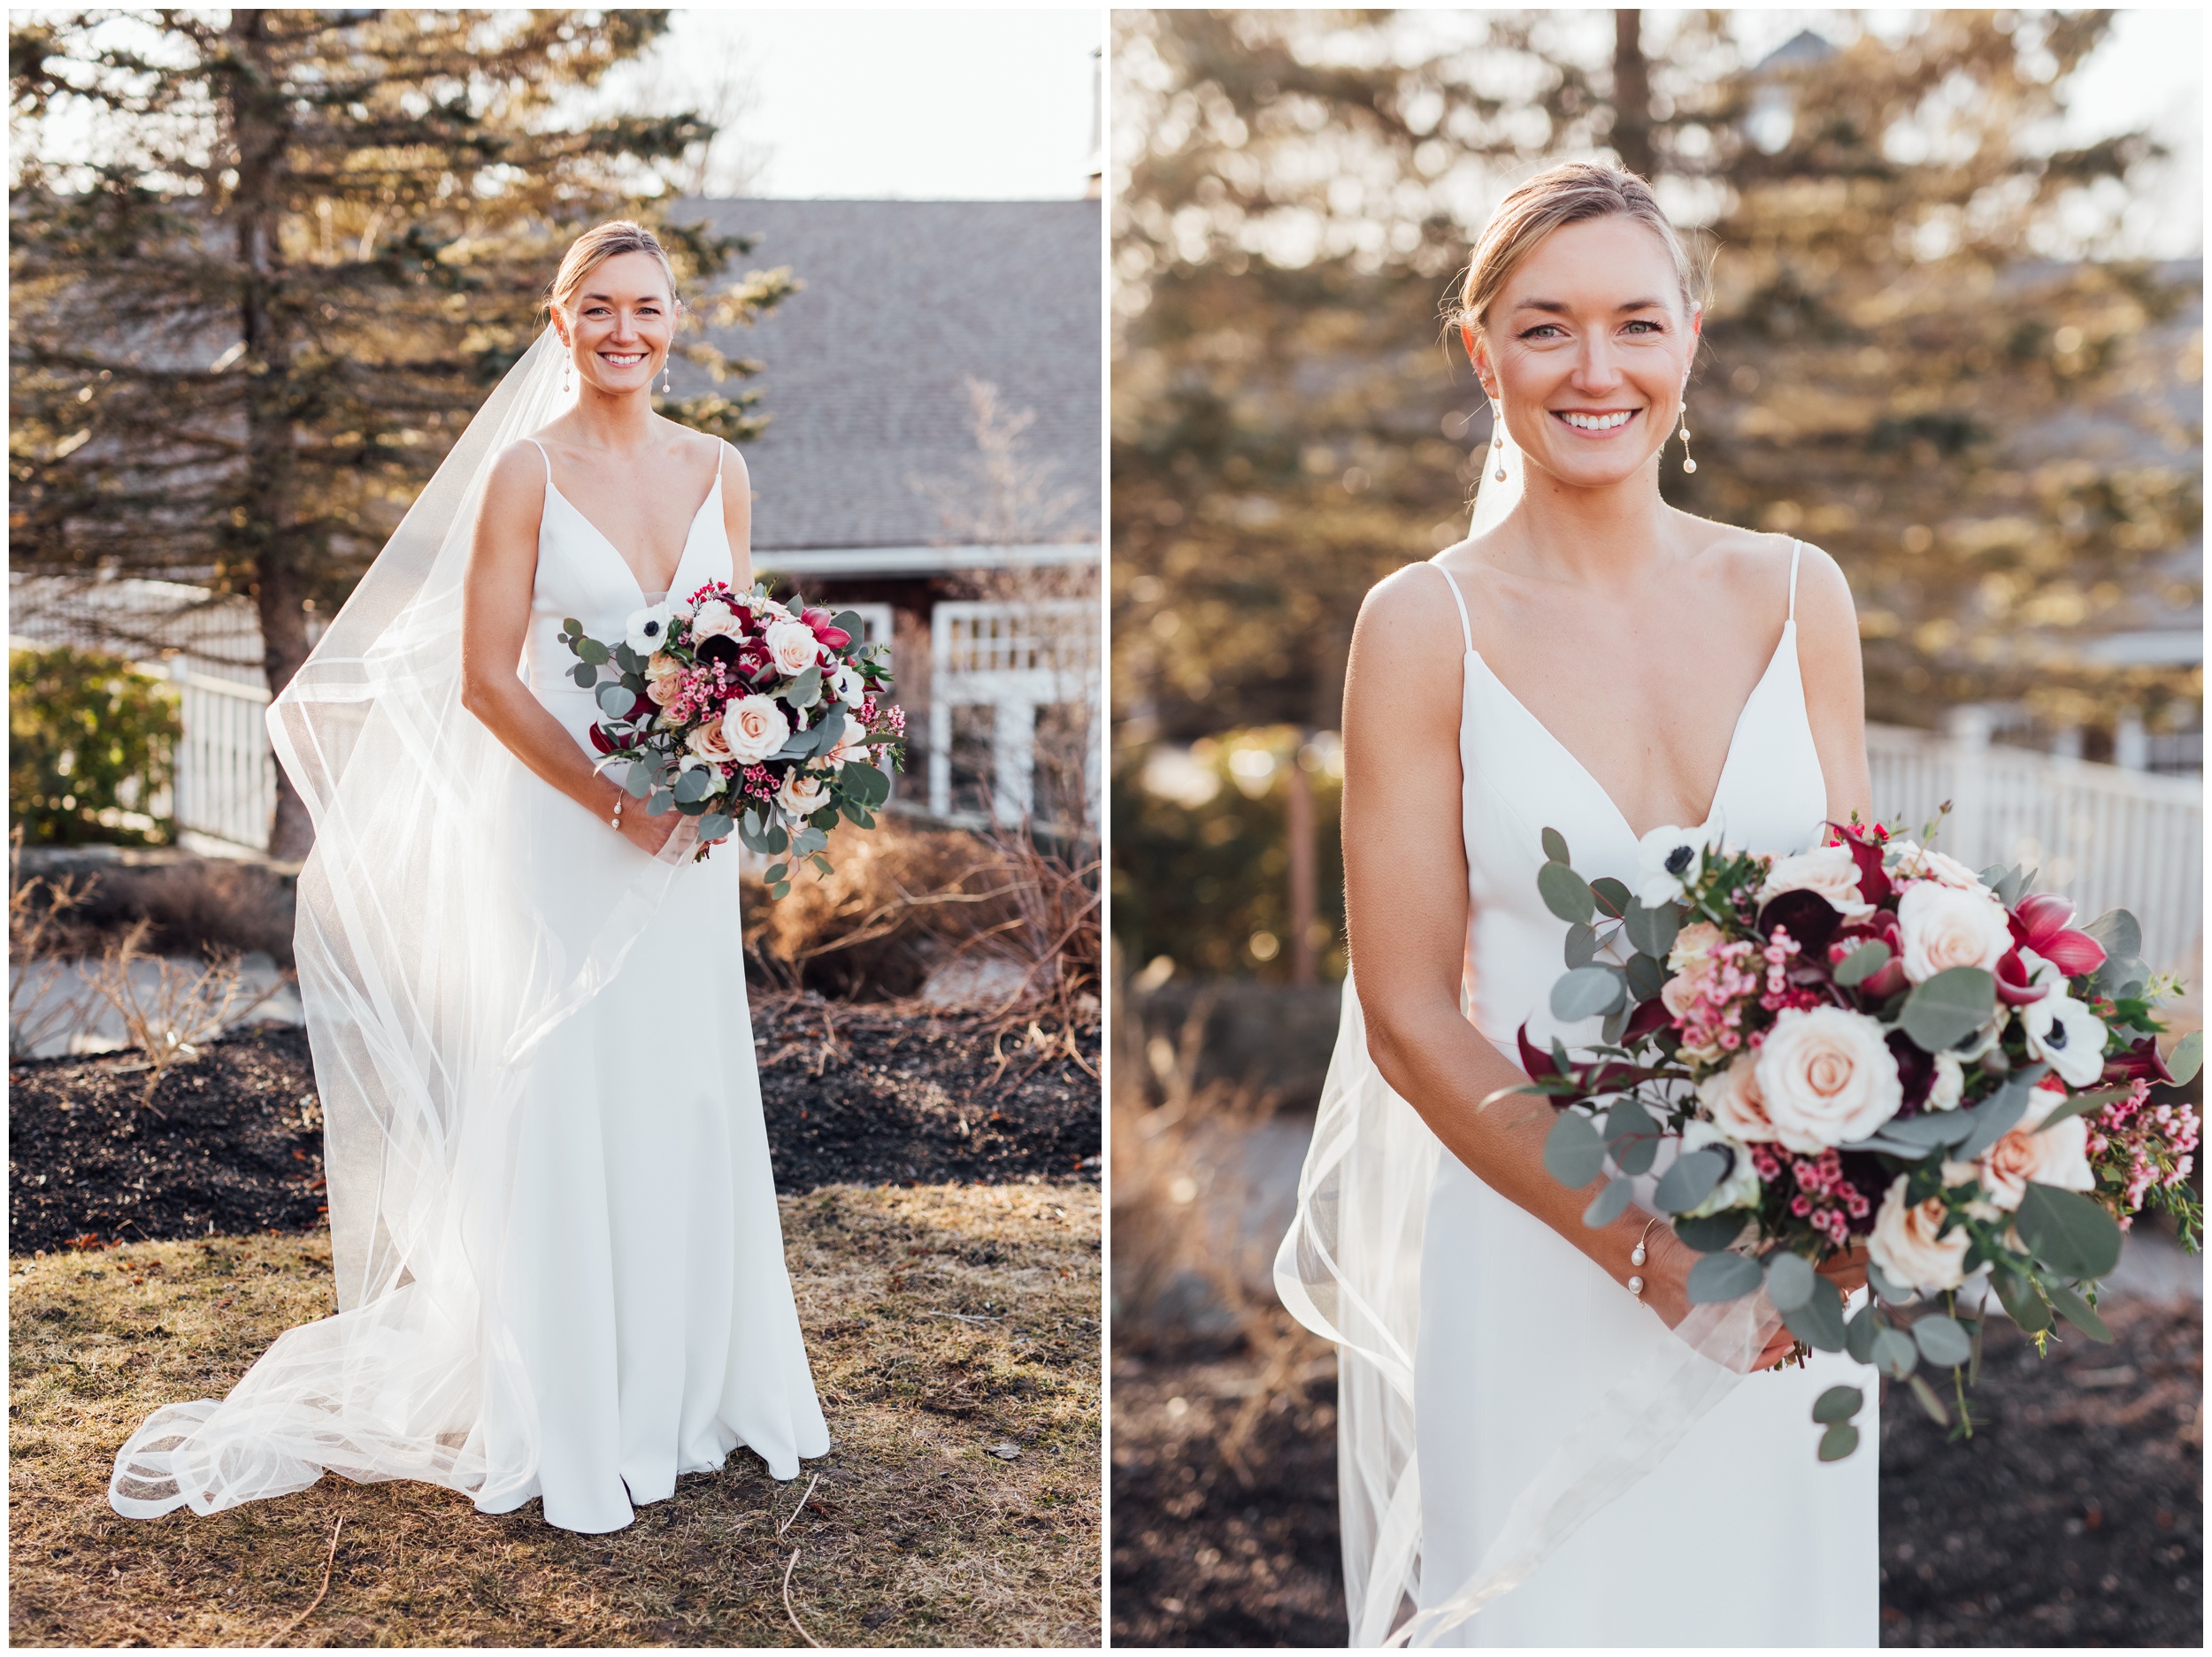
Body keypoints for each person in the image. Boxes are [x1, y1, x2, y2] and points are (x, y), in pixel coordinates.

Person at [110, 222, 829, 1535]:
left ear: (679, 323)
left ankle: (694, 1387)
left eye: (649, 308)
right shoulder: (524, 474)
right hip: (565, 831)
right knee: (566, 1084)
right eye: (599, 307)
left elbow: (741, 647)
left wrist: (741, 771)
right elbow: (486, 679)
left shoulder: (719, 471)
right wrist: (617, 800)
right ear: (561, 323)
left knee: (682, 1084)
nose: (627, 330)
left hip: (690, 846)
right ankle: (571, 1403)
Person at [1276, 164, 1878, 1646]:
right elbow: (1413, 1014)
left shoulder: (1804, 595)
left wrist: (1866, 1194)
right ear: (1483, 354)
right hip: (1546, 1245)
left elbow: (1870, 936)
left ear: (1690, 341)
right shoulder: (1424, 625)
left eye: (1634, 324)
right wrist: (1645, 1243)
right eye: (1546, 330)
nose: (1595, 370)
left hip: (1795, 1259)